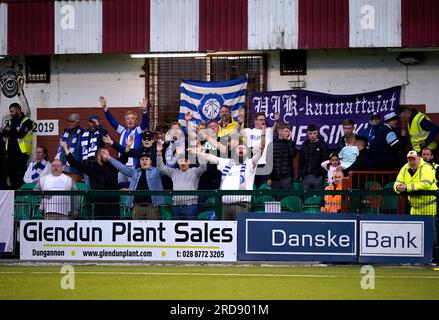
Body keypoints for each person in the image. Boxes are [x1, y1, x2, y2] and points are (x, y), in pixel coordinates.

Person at [189, 127, 266, 220]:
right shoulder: (226, 162)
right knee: (227, 232)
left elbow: (261, 151)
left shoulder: (250, 164)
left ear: (247, 153)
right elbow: (211, 157)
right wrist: (198, 153)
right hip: (225, 206)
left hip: (241, 206)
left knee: (240, 232)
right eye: (239, 148)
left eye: (243, 148)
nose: (241, 149)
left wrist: (263, 136)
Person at [61, 142, 120, 219]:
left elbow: (124, 160)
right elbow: (74, 163)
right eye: (104, 153)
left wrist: (128, 146)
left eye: (107, 153)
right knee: (100, 226)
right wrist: (65, 148)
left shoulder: (113, 166)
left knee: (114, 227)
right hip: (99, 203)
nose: (107, 155)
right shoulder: (91, 168)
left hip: (113, 202)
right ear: (98, 156)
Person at [99, 96, 149, 187]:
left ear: (135, 120)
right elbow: (112, 121)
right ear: (125, 121)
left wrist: (144, 111)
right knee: (120, 188)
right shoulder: (122, 130)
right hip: (121, 166)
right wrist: (105, 108)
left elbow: (145, 122)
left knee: (132, 188)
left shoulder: (138, 130)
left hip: (134, 167)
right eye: (128, 118)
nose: (130, 120)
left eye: (132, 118)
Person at [107, 151, 165, 220]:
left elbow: (162, 167)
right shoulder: (135, 172)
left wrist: (159, 154)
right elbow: (122, 168)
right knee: (137, 228)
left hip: (152, 206)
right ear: (140, 162)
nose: (144, 161)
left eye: (146, 159)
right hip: (137, 206)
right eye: (142, 159)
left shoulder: (156, 171)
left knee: (153, 227)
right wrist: (109, 158)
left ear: (150, 161)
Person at [156, 141, 206, 220]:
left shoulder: (195, 171)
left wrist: (200, 154)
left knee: (192, 229)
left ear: (189, 162)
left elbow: (203, 167)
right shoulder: (174, 172)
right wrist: (159, 153)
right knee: (177, 229)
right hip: (177, 206)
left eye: (185, 161)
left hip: (191, 206)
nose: (182, 163)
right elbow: (161, 168)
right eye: (180, 161)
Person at [240, 111, 278, 188]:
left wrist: (276, 120)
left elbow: (275, 128)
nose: (262, 121)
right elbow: (236, 132)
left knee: (263, 187)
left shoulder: (268, 131)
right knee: (251, 186)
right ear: (255, 121)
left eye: (263, 119)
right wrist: (240, 123)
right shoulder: (249, 131)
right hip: (252, 164)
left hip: (264, 164)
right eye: (260, 119)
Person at [394, 150, 438, 215]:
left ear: (419, 158)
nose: (411, 162)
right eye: (409, 160)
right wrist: (397, 187)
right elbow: (397, 182)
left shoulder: (426, 167)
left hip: (429, 209)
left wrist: (407, 187)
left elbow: (426, 184)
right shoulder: (405, 167)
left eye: (413, 159)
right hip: (414, 209)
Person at [3, 103, 34, 189]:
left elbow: (21, 134)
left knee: (20, 177)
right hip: (10, 154)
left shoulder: (27, 121)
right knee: (11, 177)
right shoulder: (10, 121)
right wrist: (13, 131)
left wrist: (11, 130)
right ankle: (12, 199)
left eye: (12, 111)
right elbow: (4, 133)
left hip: (21, 154)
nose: (11, 113)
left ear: (18, 110)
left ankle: (20, 198)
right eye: (10, 112)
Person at [298, 124, 330, 191]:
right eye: (310, 133)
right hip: (306, 176)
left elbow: (326, 161)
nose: (312, 135)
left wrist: (322, 176)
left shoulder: (323, 145)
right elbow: (301, 160)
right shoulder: (305, 144)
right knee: (307, 198)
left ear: (317, 133)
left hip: (318, 176)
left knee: (317, 198)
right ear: (307, 133)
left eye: (314, 133)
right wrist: (301, 175)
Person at [55, 113, 84, 183]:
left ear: (78, 122)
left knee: (74, 191)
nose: (69, 123)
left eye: (71, 121)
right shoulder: (64, 133)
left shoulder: (83, 134)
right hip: (63, 168)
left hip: (75, 169)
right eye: (68, 121)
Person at [80, 115, 108, 186]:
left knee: (97, 185)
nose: (92, 124)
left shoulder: (100, 133)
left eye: (94, 122)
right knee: (88, 186)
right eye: (90, 122)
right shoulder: (85, 133)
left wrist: (98, 124)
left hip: (96, 164)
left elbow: (104, 134)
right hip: (86, 164)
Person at [268, 123, 297, 190]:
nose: (288, 133)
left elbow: (293, 155)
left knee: (287, 199)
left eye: (289, 131)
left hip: (287, 178)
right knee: (276, 200)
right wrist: (268, 177)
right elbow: (268, 161)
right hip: (274, 179)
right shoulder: (272, 144)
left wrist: (289, 142)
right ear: (279, 131)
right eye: (286, 131)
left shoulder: (290, 143)